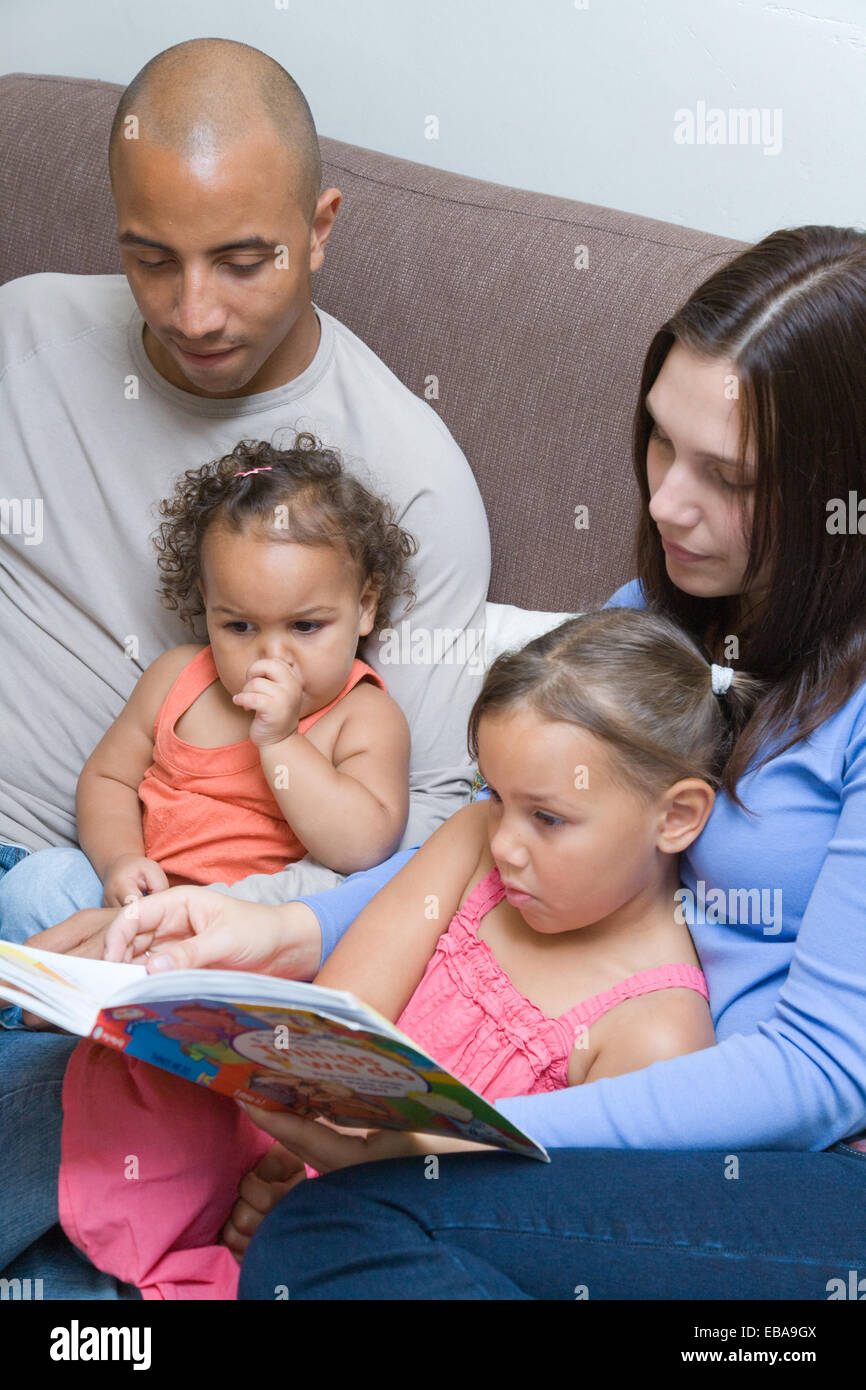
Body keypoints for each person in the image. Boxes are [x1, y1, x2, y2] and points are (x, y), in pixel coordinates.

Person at [78, 223, 866, 1302]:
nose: (666, 503)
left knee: (330, 1236)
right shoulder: (657, 623)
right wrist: (268, 928)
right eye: (658, 444)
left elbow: (821, 1073)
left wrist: (457, 1136)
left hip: (803, 1171)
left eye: (725, 476)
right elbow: (481, 852)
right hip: (626, 1113)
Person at [55, 604, 743, 1298]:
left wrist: (327, 1198)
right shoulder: (478, 840)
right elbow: (341, 1012)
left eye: (548, 818)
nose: (506, 840)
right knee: (119, 1084)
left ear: (676, 816)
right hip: (295, 1137)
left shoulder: (658, 1034)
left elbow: (535, 1234)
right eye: (497, 796)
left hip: (403, 1235)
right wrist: (287, 1155)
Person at [0, 34, 489, 941]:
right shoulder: (22, 339)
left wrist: (208, 923)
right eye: (151, 259)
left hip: (172, 929)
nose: (194, 314)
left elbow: (427, 831)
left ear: (319, 230)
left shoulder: (415, 484)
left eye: (240, 262)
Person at [0, 433, 414, 965]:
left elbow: (364, 848)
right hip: (128, 908)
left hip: (236, 940)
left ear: (364, 606)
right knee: (40, 882)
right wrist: (119, 861)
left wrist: (283, 740)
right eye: (239, 625)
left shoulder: (363, 716)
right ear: (206, 608)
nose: (271, 656)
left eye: (305, 626)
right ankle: (52, 1009)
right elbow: (107, 779)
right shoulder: (179, 678)